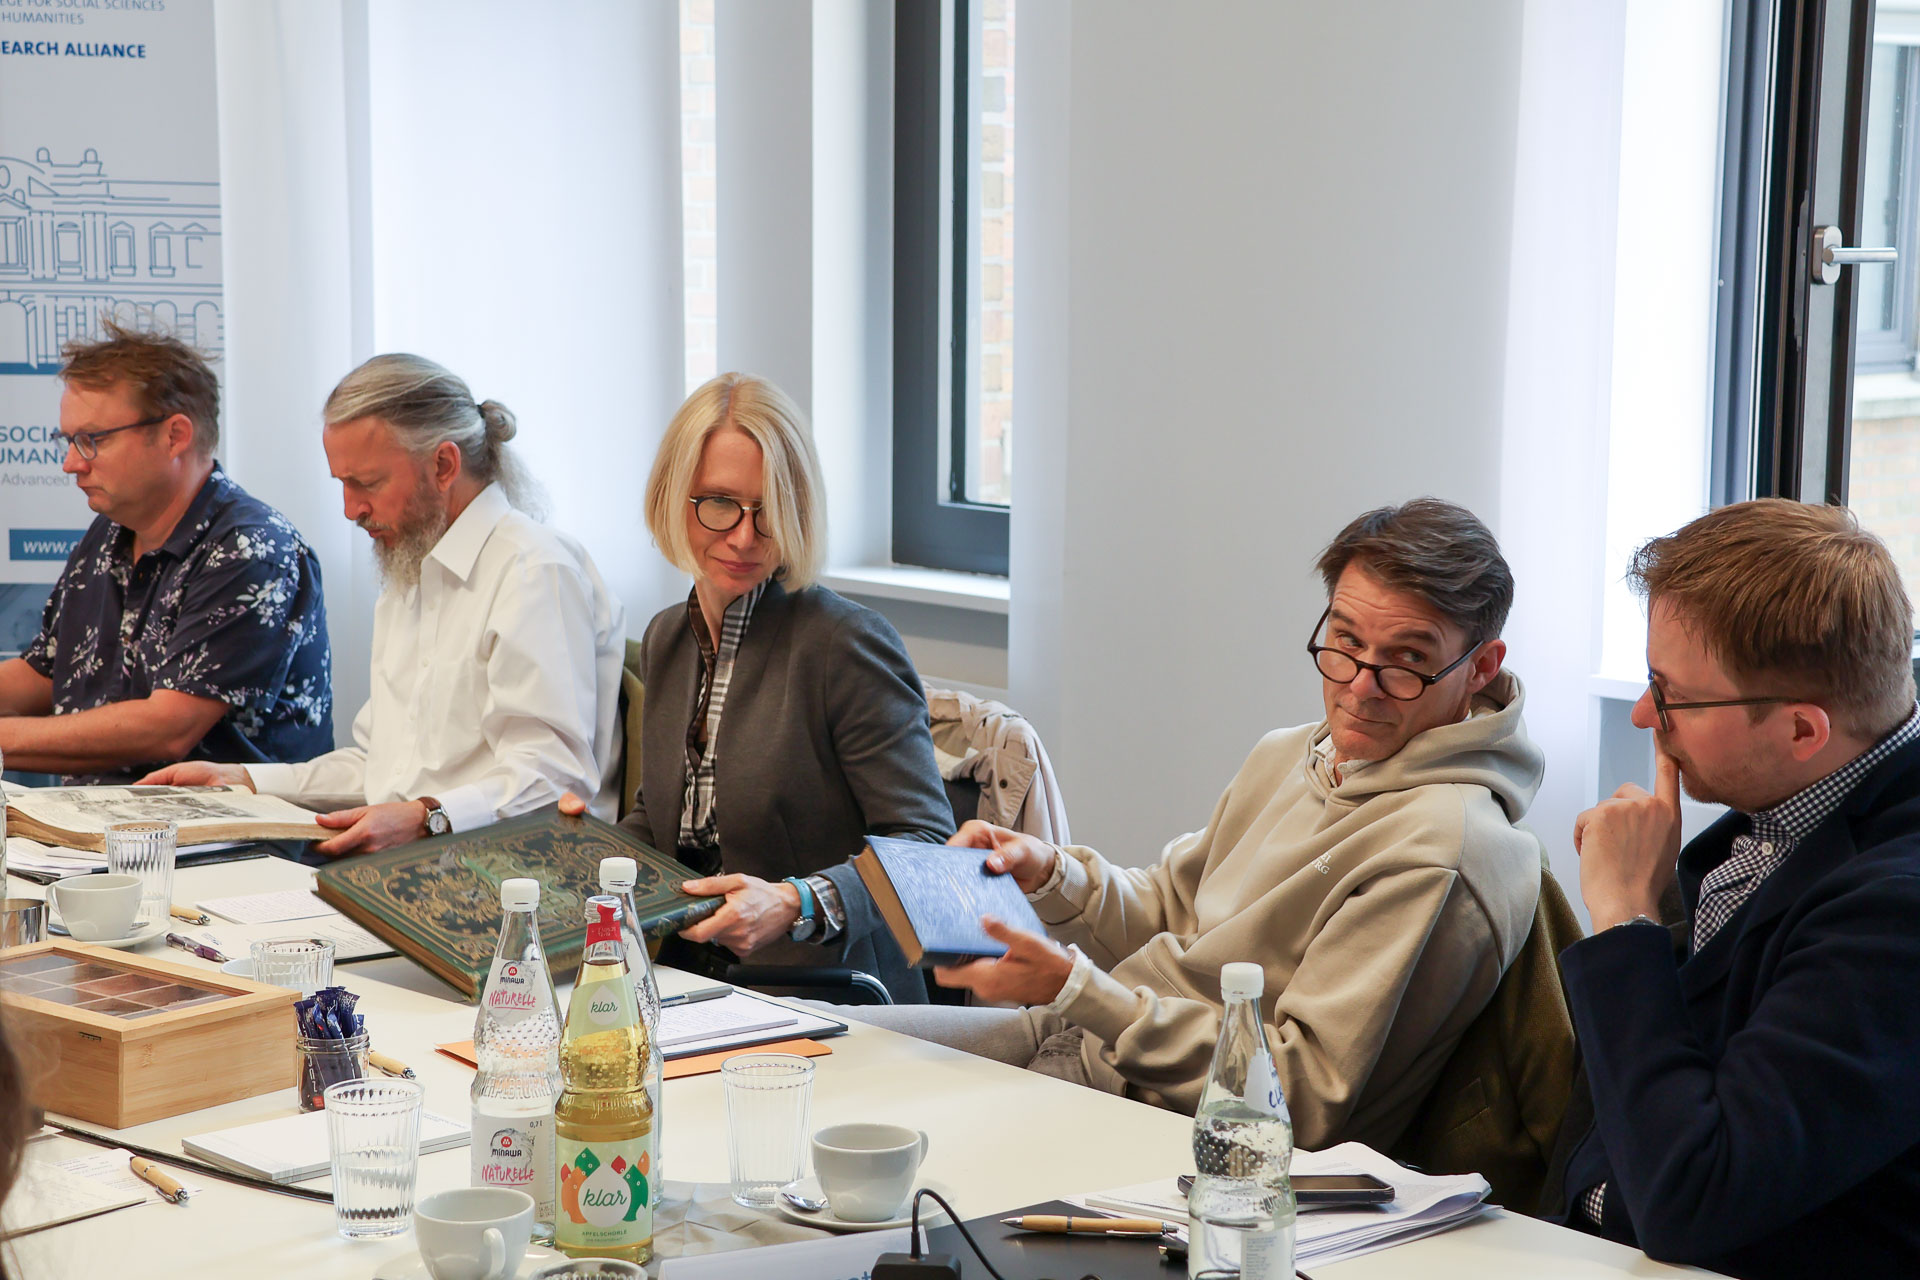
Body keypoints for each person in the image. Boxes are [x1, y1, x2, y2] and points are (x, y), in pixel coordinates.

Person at [855, 499, 1544, 1149]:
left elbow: (1302, 1096)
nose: (1360, 688)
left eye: (1408, 660)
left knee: (869, 1145)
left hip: (1180, 1128)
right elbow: (1168, 907)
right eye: (1345, 641)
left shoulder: (1440, 847)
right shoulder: (1293, 753)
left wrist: (1077, 988)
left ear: (1481, 667)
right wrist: (1051, 873)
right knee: (821, 1046)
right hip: (1085, 1040)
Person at [1556, 500, 1920, 1279]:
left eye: (1670, 693)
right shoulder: (1769, 827)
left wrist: (1624, 920)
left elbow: (1694, 1198)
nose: (1645, 714)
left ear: (1801, 731)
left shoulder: (1896, 912)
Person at [562, 372, 952, 1004]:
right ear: (672, 498)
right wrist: (572, 852)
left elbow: (929, 848)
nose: (744, 536)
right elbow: (663, 823)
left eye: (767, 508)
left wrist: (796, 902)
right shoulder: (668, 637)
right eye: (719, 503)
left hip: (834, 992)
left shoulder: (845, 642)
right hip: (690, 982)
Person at [144, 354, 625, 856]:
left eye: (367, 483)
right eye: (342, 484)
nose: (351, 509)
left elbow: (554, 779)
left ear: (443, 465)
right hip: (424, 868)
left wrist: (426, 817)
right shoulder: (411, 570)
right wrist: (245, 780)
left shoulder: (533, 570)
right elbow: (384, 770)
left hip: (520, 876)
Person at [0, 321, 332, 782]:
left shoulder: (252, 548)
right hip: (102, 819)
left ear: (175, 435)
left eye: (93, 440)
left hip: (219, 824)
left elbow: (167, 727)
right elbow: (46, 673)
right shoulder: (107, 534)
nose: (71, 463)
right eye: (68, 441)